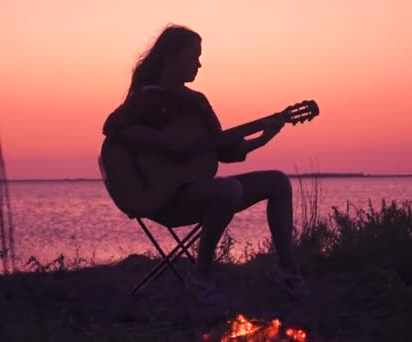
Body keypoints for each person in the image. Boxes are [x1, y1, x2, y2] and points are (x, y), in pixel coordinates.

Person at [102, 24, 309, 305]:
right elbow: (113, 127)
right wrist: (162, 142)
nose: (199, 64)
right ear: (170, 58)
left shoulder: (198, 102)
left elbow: (224, 151)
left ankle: (289, 273)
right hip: (161, 200)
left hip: (198, 193)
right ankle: (201, 277)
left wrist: (263, 138)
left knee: (277, 182)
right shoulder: (146, 99)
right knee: (228, 190)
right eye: (193, 57)